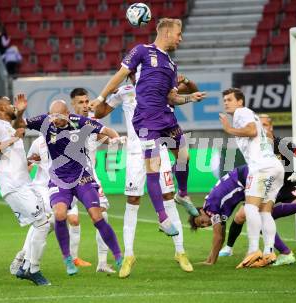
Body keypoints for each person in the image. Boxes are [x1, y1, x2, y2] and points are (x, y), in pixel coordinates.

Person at [90, 18, 206, 237]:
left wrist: (189, 97)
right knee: (153, 168)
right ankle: (163, 218)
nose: (180, 38)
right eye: (178, 34)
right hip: (145, 119)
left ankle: (182, 194)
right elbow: (120, 75)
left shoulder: (171, 64)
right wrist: (100, 97)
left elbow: (172, 97)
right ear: (167, 33)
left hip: (165, 115)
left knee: (184, 156)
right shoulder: (142, 51)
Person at [92, 73, 198, 278]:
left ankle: (180, 252)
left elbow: (190, 91)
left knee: (168, 197)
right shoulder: (124, 92)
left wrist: (186, 81)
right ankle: (129, 256)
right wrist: (101, 98)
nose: (134, 74)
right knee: (132, 201)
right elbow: (100, 112)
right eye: (131, 72)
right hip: (134, 154)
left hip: (158, 148)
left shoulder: (160, 88)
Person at [13, 95, 123, 276]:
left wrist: (116, 138)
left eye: (59, 115)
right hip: (59, 179)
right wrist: (21, 112)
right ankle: (68, 259)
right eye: (52, 115)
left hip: (82, 178)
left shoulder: (78, 121)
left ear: (68, 114)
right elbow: (18, 125)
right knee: (59, 214)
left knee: (97, 216)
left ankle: (118, 256)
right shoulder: (44, 122)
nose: (55, 119)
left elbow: (105, 129)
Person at [219, 114, 296, 260]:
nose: (262, 128)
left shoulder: (284, 144)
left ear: (271, 127)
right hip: (265, 186)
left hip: (287, 184)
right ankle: (228, 248)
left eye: (265, 125)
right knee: (241, 215)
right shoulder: (254, 147)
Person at [187, 165, 296, 266]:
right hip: (250, 176)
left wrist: (210, 262)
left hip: (250, 177)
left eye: (202, 221)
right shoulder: (211, 206)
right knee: (263, 215)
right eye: (203, 226)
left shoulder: (211, 208)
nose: (206, 224)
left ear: (200, 211)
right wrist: (209, 260)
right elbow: (220, 235)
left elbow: (218, 237)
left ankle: (286, 253)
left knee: (261, 218)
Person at [0, 96, 51, 285]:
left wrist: (20, 112)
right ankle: (31, 268)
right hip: (13, 185)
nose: (13, 104)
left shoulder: (8, 125)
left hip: (24, 183)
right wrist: (15, 138)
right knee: (42, 224)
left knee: (47, 221)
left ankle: (25, 264)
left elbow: (17, 122)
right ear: (1, 107)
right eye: (10, 103)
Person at [9, 133, 92, 277]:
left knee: (51, 223)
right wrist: (21, 180)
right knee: (43, 221)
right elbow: (29, 163)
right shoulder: (39, 142)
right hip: (43, 188)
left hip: (65, 188)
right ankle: (25, 257)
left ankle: (27, 255)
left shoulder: (70, 138)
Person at [219, 87, 284, 268]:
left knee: (250, 208)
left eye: (230, 99)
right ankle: (269, 252)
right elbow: (262, 136)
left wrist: (228, 129)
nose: (226, 103)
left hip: (262, 168)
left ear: (240, 101)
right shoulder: (249, 114)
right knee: (264, 210)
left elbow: (252, 131)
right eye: (225, 100)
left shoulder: (242, 112)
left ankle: (253, 251)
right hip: (275, 167)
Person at [70, 87, 117, 273]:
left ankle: (102, 263)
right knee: (49, 221)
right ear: (72, 104)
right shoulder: (66, 123)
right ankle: (26, 257)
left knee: (102, 214)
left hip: (89, 176)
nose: (85, 105)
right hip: (66, 178)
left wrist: (115, 140)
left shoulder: (93, 122)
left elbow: (100, 137)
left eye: (86, 101)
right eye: (80, 102)